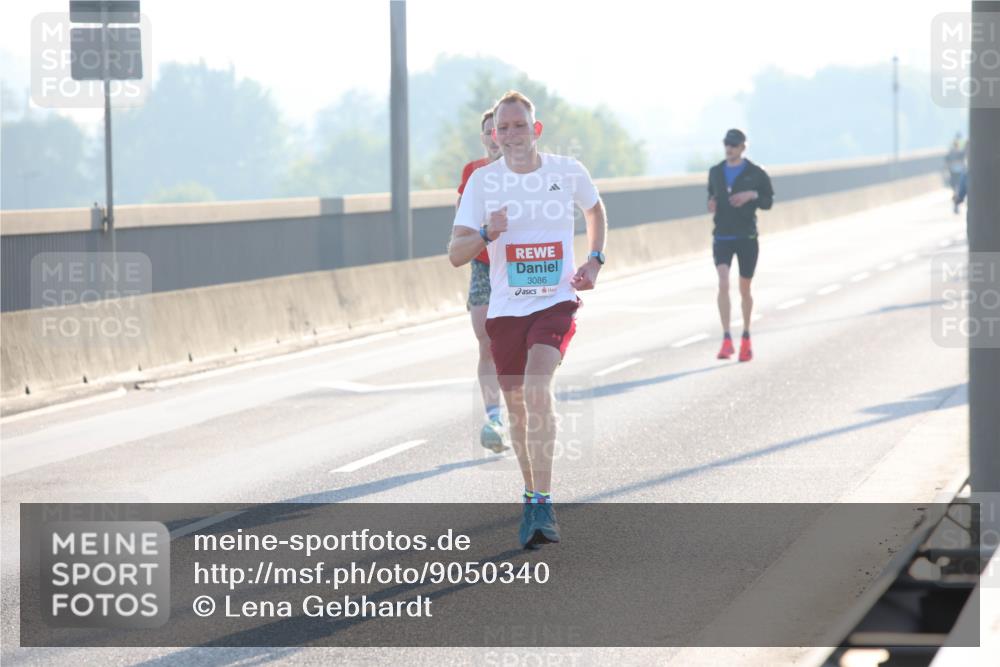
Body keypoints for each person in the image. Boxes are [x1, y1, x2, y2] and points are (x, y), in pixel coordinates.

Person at [448, 90, 607, 549]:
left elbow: (594, 208)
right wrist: (486, 233)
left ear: (535, 130)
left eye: (520, 125)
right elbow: (455, 253)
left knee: (538, 387)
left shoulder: (566, 171)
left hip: (555, 301)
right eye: (503, 127)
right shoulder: (482, 183)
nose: (511, 134)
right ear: (494, 135)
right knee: (517, 406)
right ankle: (530, 494)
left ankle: (544, 500)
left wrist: (594, 258)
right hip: (505, 309)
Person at [457, 109, 506, 453]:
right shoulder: (472, 172)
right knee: (486, 342)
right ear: (483, 137)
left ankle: (524, 407)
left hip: (517, 266)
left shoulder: (526, 172)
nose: (494, 137)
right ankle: (494, 419)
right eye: (489, 131)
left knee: (521, 344)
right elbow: (461, 218)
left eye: (499, 130)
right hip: (483, 264)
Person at [707, 129, 774, 362]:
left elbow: (768, 201)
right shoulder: (715, 172)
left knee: (745, 289)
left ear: (743, 147)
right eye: (727, 143)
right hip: (722, 236)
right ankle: (726, 338)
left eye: (734, 145)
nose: (729, 148)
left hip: (746, 237)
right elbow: (711, 195)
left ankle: (746, 335)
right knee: (723, 282)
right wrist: (712, 203)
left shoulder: (756, 173)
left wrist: (751, 195)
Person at [945, 134, 967, 215]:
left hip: (955, 173)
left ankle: (956, 205)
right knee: (957, 189)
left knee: (956, 189)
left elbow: (947, 163)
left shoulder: (951, 153)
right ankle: (956, 204)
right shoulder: (960, 153)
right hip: (957, 173)